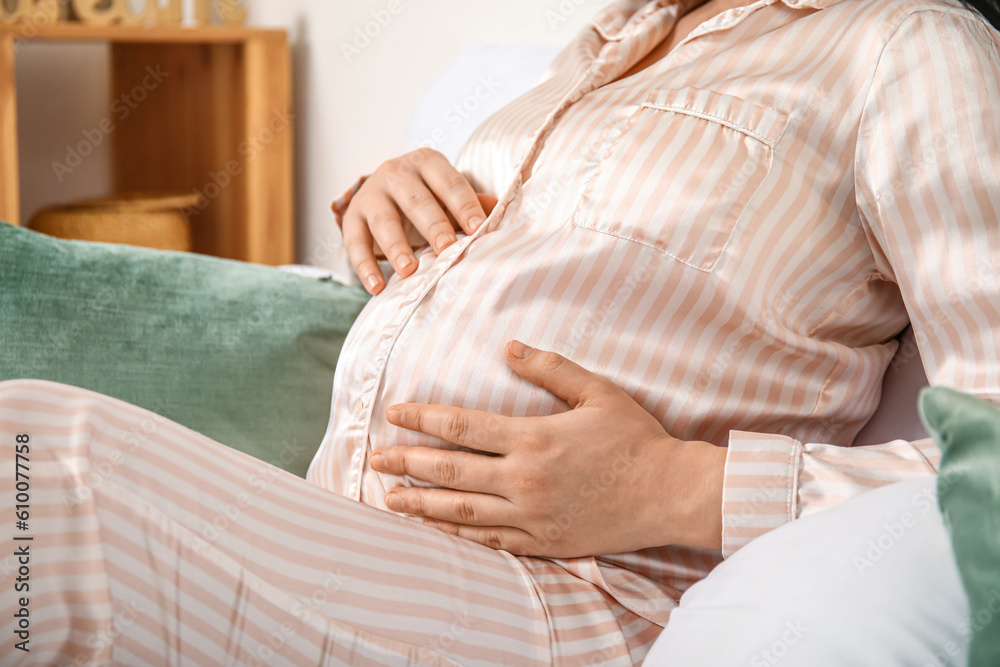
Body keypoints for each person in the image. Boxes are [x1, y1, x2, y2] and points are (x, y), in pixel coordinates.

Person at [3, 0, 999, 663]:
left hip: (581, 603)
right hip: (344, 538)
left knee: (39, 461)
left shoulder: (905, 46)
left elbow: (987, 451)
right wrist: (380, 202)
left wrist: (680, 486)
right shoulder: (596, 52)